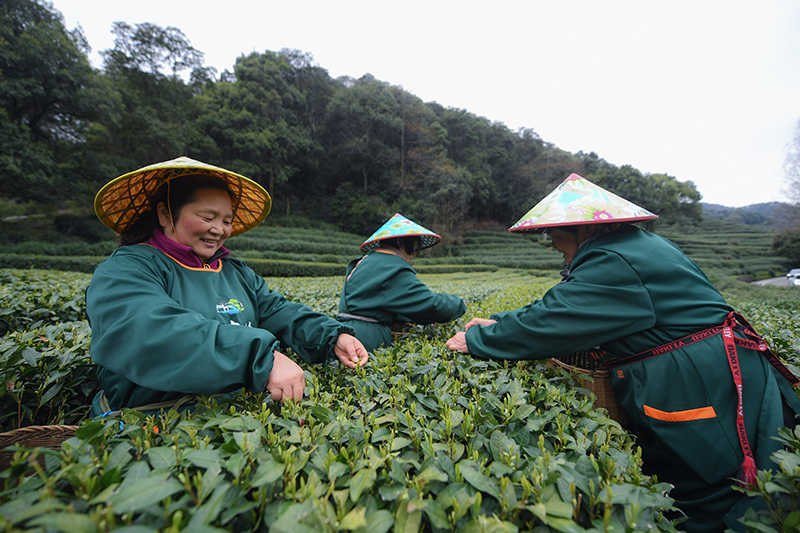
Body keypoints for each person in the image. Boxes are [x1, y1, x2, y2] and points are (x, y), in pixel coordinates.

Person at [446, 174, 800, 533]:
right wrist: (499, 322)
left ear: (582, 230)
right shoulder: (630, 248)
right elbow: (565, 305)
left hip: (701, 381)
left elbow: (555, 322)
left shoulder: (615, 261)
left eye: (554, 234)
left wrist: (476, 342)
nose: (552, 244)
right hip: (709, 367)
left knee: (712, 487)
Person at [86, 156, 368, 417]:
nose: (219, 230)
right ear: (164, 214)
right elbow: (149, 328)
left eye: (227, 221)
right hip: (151, 423)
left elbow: (277, 311)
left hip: (232, 421)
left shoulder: (235, 271)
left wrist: (332, 336)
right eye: (208, 218)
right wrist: (259, 357)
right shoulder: (128, 268)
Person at [337, 213, 466, 352]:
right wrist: (458, 304)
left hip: (343, 332)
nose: (414, 253)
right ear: (400, 242)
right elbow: (430, 305)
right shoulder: (392, 266)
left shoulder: (364, 260)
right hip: (366, 340)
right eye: (414, 245)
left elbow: (378, 302)